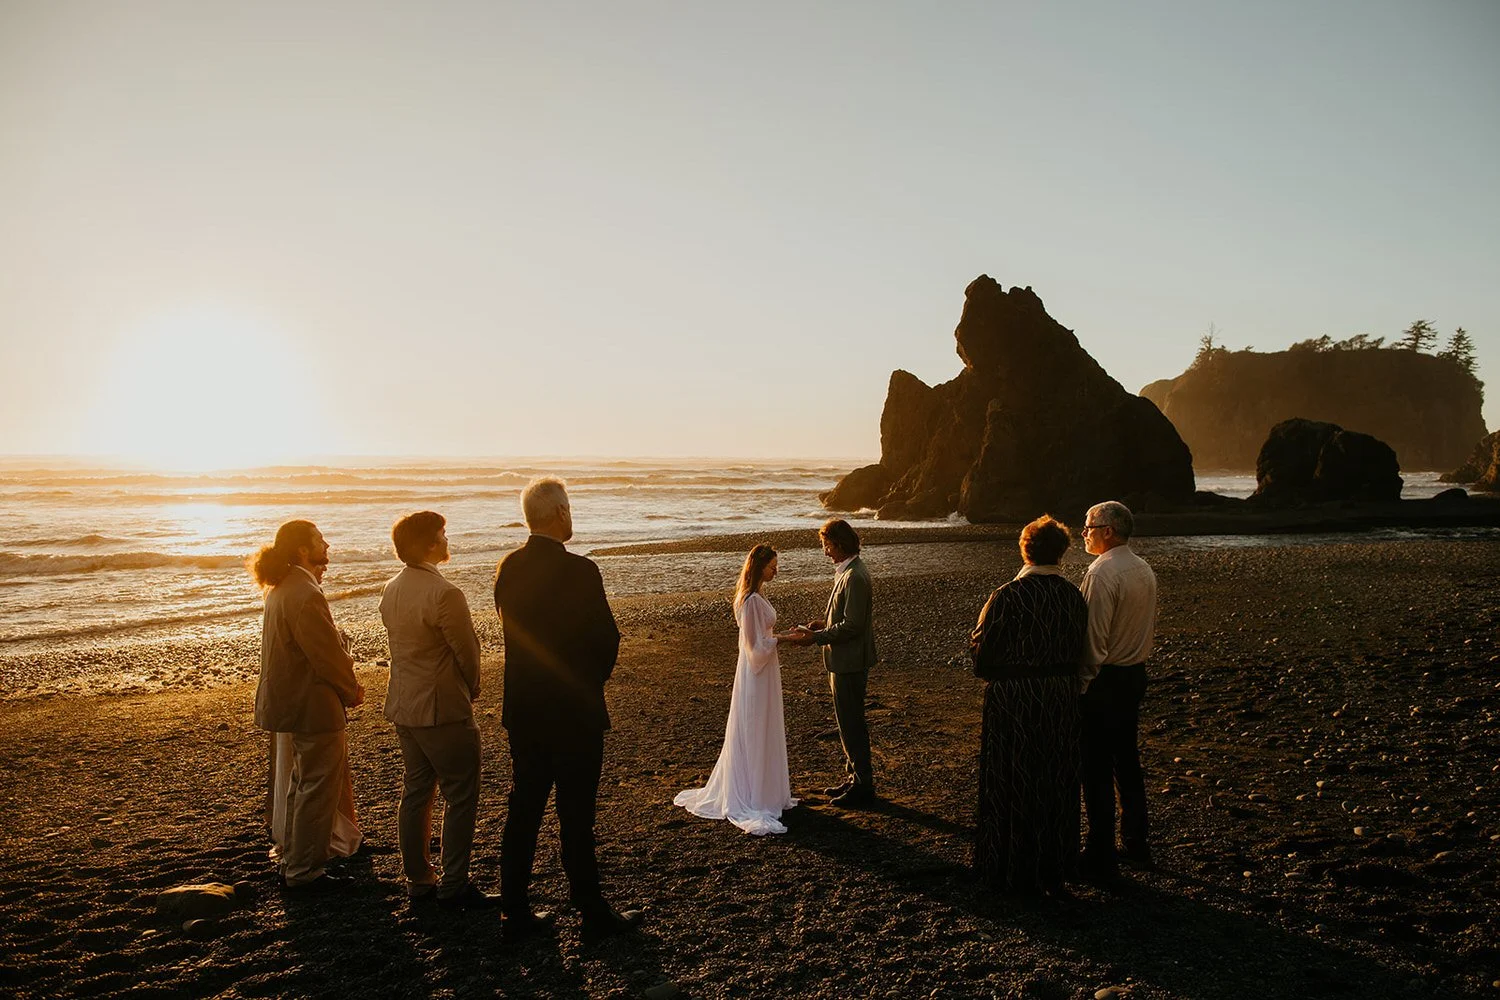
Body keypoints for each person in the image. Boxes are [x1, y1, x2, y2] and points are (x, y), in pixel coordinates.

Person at [493, 477, 642, 941]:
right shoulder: (581, 571)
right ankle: (590, 909)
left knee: (525, 807)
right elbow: (606, 638)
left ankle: (514, 909)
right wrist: (588, 683)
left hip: (524, 708)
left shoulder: (508, 568)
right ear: (559, 513)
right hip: (574, 711)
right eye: (570, 507)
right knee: (577, 814)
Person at [379, 511, 493, 910]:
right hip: (441, 708)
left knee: (416, 791)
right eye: (443, 535)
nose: (448, 541)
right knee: (461, 794)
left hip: (403, 703)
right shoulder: (445, 593)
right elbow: (467, 651)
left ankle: (418, 878)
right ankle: (454, 881)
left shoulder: (391, 588)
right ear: (429, 544)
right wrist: (472, 688)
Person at [968, 515, 1089, 893]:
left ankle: (1008, 862)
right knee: (1055, 775)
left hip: (1016, 696)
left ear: (1025, 549)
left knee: (1012, 774)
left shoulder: (1007, 595)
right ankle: (1054, 860)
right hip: (1061, 695)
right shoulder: (1073, 596)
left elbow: (983, 655)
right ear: (1062, 551)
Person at [250, 519, 365, 892]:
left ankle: (293, 859)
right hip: (312, 705)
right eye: (319, 540)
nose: (326, 545)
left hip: (289, 703)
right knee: (318, 786)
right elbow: (326, 656)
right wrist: (351, 689)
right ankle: (305, 870)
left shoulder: (280, 589)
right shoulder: (305, 592)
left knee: (300, 783)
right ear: (302, 549)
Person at [674, 544, 800, 835]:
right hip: (758, 669)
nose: (775, 570)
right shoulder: (752, 600)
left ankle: (764, 789)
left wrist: (779, 637)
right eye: (772, 566)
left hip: (759, 670)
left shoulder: (753, 597)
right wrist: (785, 638)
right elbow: (755, 646)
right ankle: (757, 793)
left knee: (758, 724)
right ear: (759, 567)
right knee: (756, 724)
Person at [1077, 500, 1159, 879]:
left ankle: (1099, 847)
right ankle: (1136, 840)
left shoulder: (1102, 573)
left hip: (1106, 679)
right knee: (1126, 759)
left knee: (1094, 766)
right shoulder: (1143, 569)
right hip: (1134, 674)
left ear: (1108, 531)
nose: (1084, 534)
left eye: (1089, 527)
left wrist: (1082, 684)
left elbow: (1094, 639)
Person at [787, 518, 877, 808]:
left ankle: (862, 784)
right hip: (844, 659)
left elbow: (853, 625)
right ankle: (854, 777)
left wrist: (816, 637)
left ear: (839, 544)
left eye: (827, 546)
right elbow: (847, 619)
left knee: (851, 722)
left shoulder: (855, 577)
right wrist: (823, 624)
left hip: (850, 661)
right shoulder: (848, 573)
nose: (825, 552)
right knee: (846, 721)